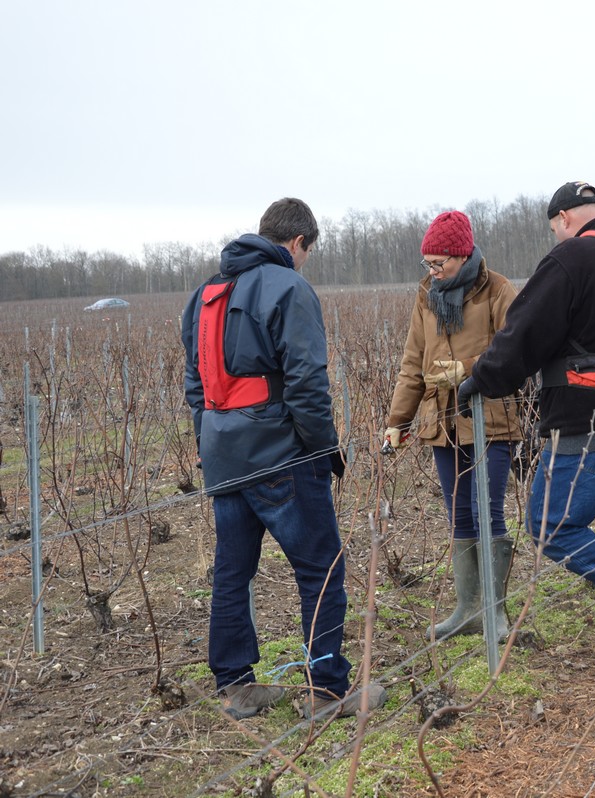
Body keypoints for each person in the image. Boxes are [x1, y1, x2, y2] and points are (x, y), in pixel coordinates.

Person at [457, 182, 595, 692]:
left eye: (553, 227)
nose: (556, 236)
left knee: (548, 524)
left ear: (563, 218)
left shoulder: (573, 258)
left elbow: (523, 334)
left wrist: (482, 379)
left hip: (591, 423)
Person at [182, 198, 385, 721]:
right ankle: (327, 692)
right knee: (321, 568)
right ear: (297, 244)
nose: (304, 261)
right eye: (307, 253)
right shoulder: (290, 287)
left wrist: (211, 442)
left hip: (224, 459)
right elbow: (307, 384)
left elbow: (195, 384)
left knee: (233, 572)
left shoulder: (205, 294)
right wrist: (324, 450)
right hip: (281, 458)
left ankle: (236, 688)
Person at [384, 211, 521, 640]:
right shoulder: (427, 294)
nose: (432, 270)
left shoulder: (497, 290)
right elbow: (412, 363)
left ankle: (495, 613)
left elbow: (515, 352)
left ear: (462, 255)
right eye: (427, 263)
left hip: (490, 418)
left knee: (488, 511)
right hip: (439, 422)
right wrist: (397, 420)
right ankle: (467, 609)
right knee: (459, 514)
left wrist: (465, 370)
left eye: (439, 262)